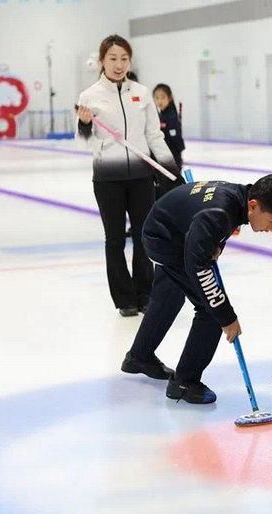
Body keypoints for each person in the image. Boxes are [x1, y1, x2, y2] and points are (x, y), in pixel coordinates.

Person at [122, 174, 272, 405]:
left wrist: (214, 245)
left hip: (170, 229)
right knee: (210, 313)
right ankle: (184, 383)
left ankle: (139, 356)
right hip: (165, 240)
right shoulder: (219, 212)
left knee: (170, 296)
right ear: (253, 205)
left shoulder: (238, 197)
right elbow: (198, 267)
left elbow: (206, 228)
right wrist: (226, 317)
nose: (271, 229)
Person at [76, 35, 178, 318]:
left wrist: (170, 169)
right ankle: (124, 299)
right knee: (115, 240)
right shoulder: (89, 96)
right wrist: (84, 125)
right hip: (107, 179)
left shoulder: (142, 94)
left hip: (141, 177)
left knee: (145, 236)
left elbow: (153, 135)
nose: (119, 64)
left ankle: (146, 294)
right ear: (102, 61)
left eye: (124, 59)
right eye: (113, 58)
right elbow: (83, 142)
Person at [153, 83, 186, 198]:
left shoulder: (171, 116)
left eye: (163, 97)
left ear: (169, 98)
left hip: (171, 158)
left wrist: (177, 158)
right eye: (157, 98)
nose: (159, 101)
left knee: (170, 189)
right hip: (162, 158)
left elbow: (176, 140)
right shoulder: (160, 115)